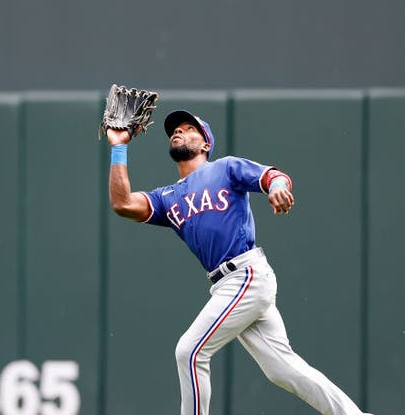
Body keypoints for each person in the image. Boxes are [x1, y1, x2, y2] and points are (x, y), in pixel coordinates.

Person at [105, 110, 372, 415]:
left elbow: (272, 176)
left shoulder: (225, 168)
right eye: (174, 130)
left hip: (246, 273)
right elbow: (122, 203)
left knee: (189, 352)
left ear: (205, 143)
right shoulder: (168, 197)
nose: (178, 132)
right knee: (282, 369)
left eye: (188, 128)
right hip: (226, 285)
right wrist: (119, 146)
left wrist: (277, 187)